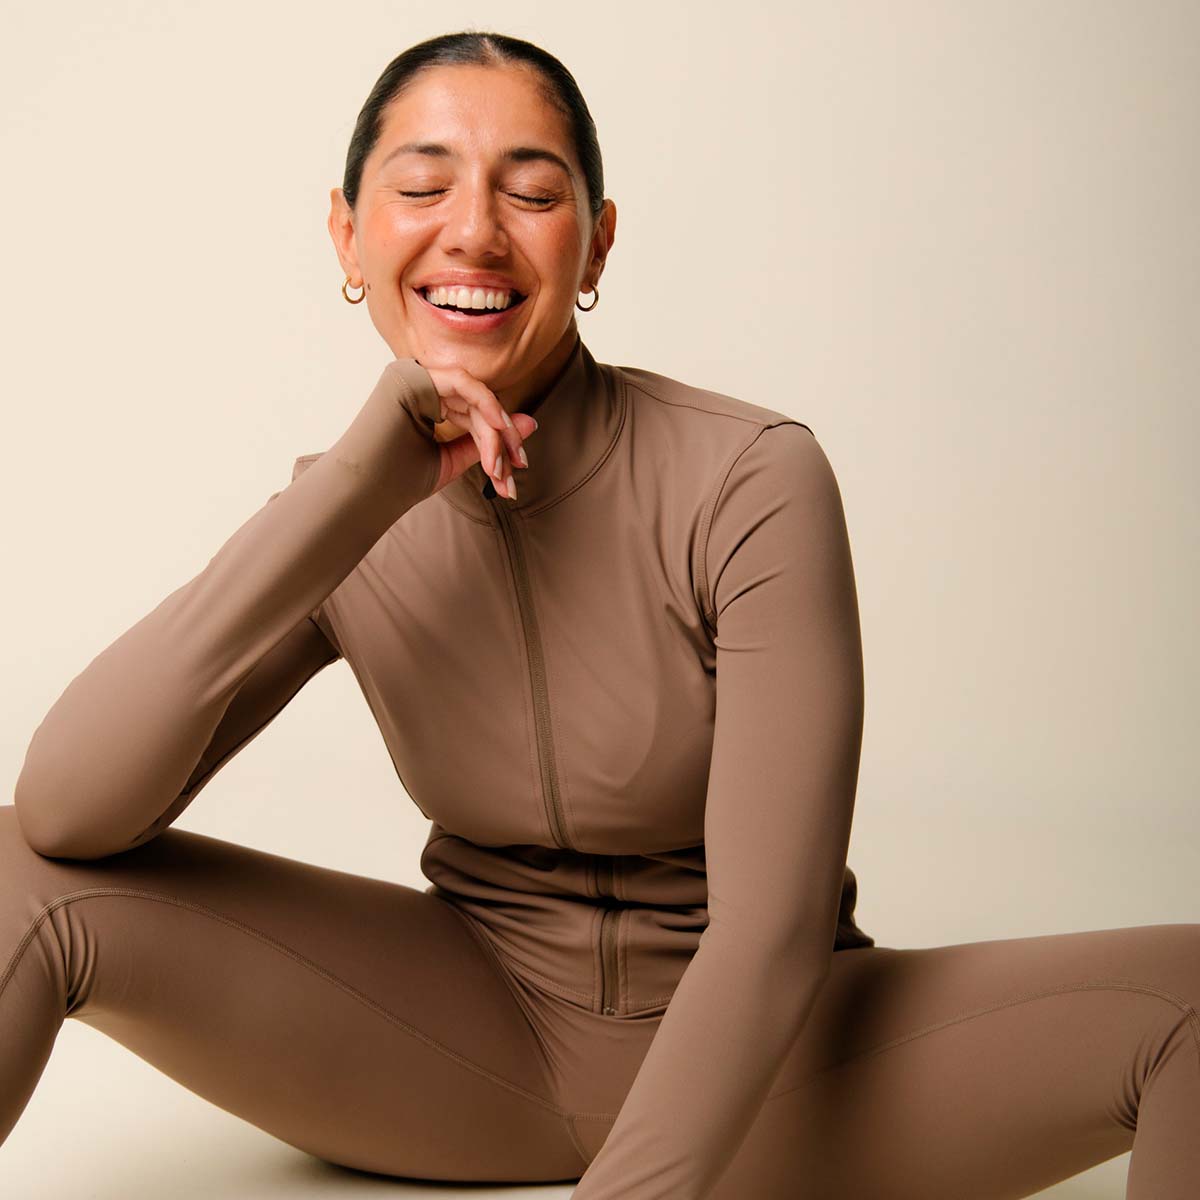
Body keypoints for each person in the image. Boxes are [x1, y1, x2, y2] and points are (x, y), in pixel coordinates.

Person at [3, 28, 1197, 1200]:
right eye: (421, 186)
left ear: (595, 245)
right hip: (462, 1049)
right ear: (348, 234)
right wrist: (352, 493)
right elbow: (65, 811)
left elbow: (772, 929)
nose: (473, 230)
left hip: (779, 1071)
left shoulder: (748, 479)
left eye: (531, 193)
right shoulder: (344, 515)